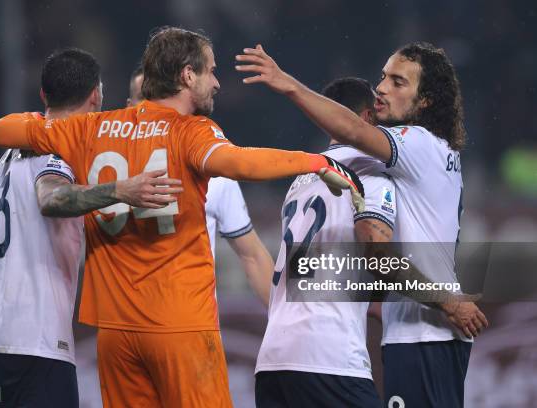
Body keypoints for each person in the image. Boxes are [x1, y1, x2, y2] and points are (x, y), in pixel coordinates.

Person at [0, 27, 361, 407]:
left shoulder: (92, 128)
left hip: (116, 333)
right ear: (187, 75)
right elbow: (237, 161)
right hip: (180, 324)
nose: (216, 83)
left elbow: (0, 130)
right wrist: (314, 162)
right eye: (211, 71)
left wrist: (44, 124)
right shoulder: (191, 132)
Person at [236, 41, 489, 407]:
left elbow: (354, 133)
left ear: (426, 101)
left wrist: (288, 83)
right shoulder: (415, 158)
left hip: (422, 332)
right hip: (411, 329)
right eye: (382, 78)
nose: (383, 88)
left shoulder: (414, 143)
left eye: (398, 82)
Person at [0, 47, 182, 408]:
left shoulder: (9, 154)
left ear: (44, 95)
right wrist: (122, 189)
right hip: (37, 341)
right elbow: (50, 198)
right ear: (96, 95)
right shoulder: (57, 154)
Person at [255, 77, 393, 407]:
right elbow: (374, 248)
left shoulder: (303, 178)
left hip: (274, 358)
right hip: (328, 356)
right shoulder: (370, 171)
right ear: (366, 119)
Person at [127, 66, 273, 305]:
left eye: (160, 99)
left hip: (190, 323)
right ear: (128, 106)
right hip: (123, 324)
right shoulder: (104, 168)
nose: (153, 109)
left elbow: (253, 256)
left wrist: (285, 326)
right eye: (144, 99)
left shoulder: (214, 175)